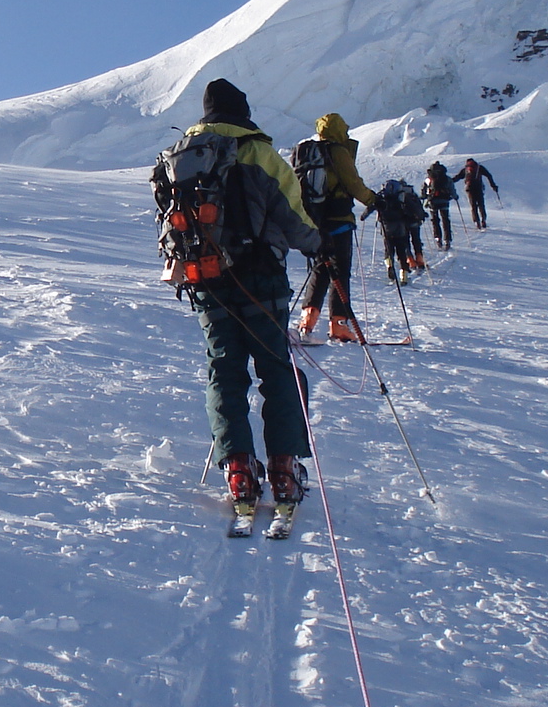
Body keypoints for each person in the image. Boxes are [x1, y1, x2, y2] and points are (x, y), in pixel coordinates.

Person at [175, 79, 322, 510]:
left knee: (225, 370)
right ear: (242, 110)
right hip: (262, 278)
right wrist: (319, 246)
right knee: (276, 368)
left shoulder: (185, 155)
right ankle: (283, 466)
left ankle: (238, 469)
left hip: (205, 277)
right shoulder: (258, 151)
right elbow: (294, 218)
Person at [294, 112, 376, 343]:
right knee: (340, 272)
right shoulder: (338, 151)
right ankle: (339, 325)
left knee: (320, 269)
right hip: (339, 219)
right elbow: (353, 183)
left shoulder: (310, 154)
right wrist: (373, 200)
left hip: (317, 220)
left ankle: (307, 321)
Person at [366, 178, 426, 281]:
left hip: (386, 228)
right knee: (402, 250)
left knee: (388, 250)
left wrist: (363, 216)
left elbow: (370, 207)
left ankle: (389, 265)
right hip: (400, 228)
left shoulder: (382, 197)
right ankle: (404, 275)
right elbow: (414, 208)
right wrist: (421, 215)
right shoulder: (402, 197)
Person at [454, 158, 500, 229]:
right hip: (478, 187)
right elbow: (488, 175)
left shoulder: (466, 169)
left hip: (469, 188)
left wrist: (449, 181)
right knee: (481, 204)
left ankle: (476, 221)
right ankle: (483, 219)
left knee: (473, 206)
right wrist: (493, 186)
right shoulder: (479, 167)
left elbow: (458, 177)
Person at [421, 160, 457, 249]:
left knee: (435, 220)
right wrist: (455, 196)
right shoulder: (446, 178)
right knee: (445, 220)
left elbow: (424, 191)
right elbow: (451, 188)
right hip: (444, 200)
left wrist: (424, 198)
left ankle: (438, 238)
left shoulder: (428, 179)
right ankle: (447, 239)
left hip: (432, 201)